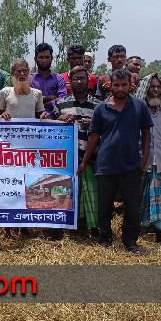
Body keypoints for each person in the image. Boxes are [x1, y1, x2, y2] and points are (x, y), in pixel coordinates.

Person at [78, 69, 152, 254]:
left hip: (131, 165)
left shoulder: (139, 106)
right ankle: (106, 238)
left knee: (132, 207)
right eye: (116, 85)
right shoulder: (101, 108)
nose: (120, 88)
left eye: (124, 85)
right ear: (110, 85)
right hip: (105, 165)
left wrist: (144, 159)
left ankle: (130, 241)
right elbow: (94, 137)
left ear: (130, 85)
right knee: (104, 206)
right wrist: (84, 162)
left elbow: (147, 134)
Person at [52, 66, 100, 236]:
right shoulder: (61, 104)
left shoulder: (98, 106)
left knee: (91, 196)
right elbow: (50, 131)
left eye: (82, 78)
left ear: (88, 81)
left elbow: (106, 131)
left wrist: (93, 125)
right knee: (65, 195)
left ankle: (93, 229)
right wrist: (59, 119)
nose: (79, 82)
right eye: (75, 79)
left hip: (91, 159)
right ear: (69, 83)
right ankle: (64, 229)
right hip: (67, 161)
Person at [134, 73, 161, 244]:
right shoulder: (137, 111)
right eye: (152, 87)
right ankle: (138, 230)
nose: (156, 90)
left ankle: (158, 233)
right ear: (146, 90)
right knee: (140, 198)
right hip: (142, 162)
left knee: (160, 199)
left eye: (159, 87)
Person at [30, 43, 67, 116]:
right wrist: (51, 97)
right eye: (41, 57)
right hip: (34, 120)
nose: (44, 60)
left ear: (52, 58)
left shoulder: (59, 79)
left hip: (56, 119)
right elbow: (28, 100)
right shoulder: (29, 79)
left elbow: (62, 100)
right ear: (35, 59)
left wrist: (44, 103)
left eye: (47, 57)